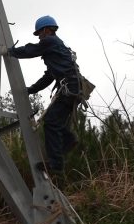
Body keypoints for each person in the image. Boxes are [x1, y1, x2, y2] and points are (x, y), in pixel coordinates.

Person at [6, 15, 79, 175]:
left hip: (69, 89)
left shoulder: (50, 42)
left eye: (39, 33)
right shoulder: (56, 48)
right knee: (55, 122)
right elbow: (49, 76)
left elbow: (30, 50)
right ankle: (68, 141)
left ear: (46, 30)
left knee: (51, 122)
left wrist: (10, 52)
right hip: (72, 89)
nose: (39, 37)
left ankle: (56, 164)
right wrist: (32, 89)